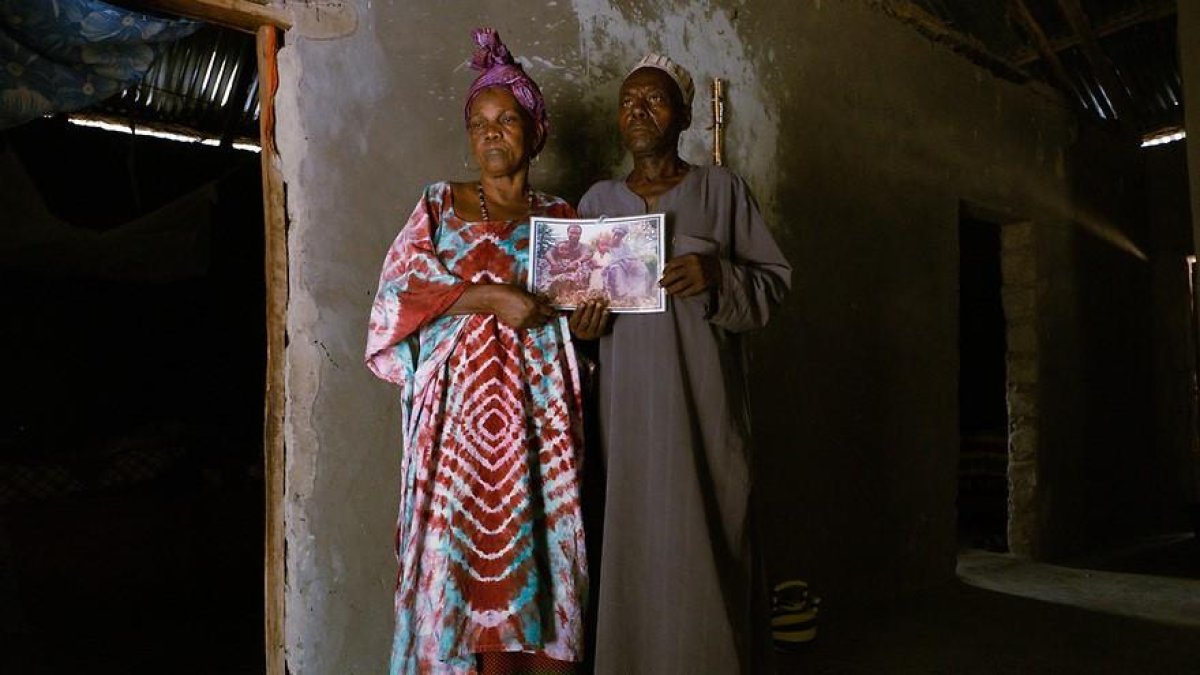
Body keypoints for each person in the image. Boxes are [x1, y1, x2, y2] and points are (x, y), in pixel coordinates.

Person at [365, 28, 588, 675]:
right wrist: (492, 298)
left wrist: (596, 322)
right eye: (479, 123)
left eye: (506, 120)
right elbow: (391, 303)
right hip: (457, 438)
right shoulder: (439, 205)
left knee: (540, 568)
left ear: (534, 129)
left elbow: (588, 339)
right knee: (456, 581)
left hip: (539, 433)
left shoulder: (564, 220)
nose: (491, 133)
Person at [568, 53, 792, 674]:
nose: (639, 110)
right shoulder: (595, 204)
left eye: (656, 100)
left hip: (703, 412)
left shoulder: (723, 192)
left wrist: (719, 273)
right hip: (625, 419)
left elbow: (771, 290)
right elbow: (573, 319)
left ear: (686, 116)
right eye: (628, 101)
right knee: (630, 549)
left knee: (708, 547)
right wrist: (584, 329)